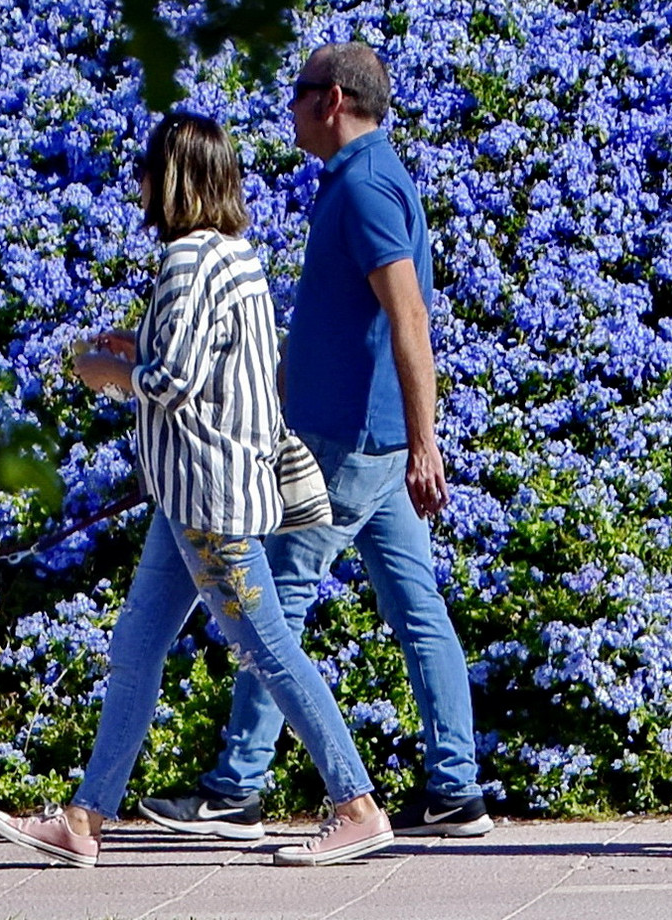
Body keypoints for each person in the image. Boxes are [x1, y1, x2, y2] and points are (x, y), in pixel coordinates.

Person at [0, 112, 393, 868]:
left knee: (269, 648)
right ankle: (83, 820)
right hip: (200, 494)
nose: (138, 182)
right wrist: (141, 347)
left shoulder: (181, 263)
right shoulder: (236, 256)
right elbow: (227, 360)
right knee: (135, 648)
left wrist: (108, 374)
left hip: (205, 500)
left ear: (170, 179)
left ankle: (356, 804)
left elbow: (172, 383)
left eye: (147, 169)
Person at [139, 42, 491, 840]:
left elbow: (407, 317)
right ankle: (453, 789)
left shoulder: (364, 188)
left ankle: (237, 786)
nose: (288, 110)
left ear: (330, 99)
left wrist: (425, 440)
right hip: (372, 439)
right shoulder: (365, 180)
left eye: (296, 95)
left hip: (347, 440)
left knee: (275, 602)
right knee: (416, 607)